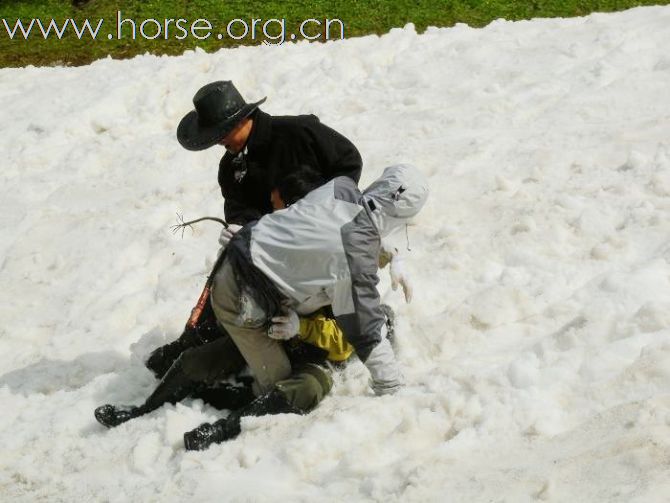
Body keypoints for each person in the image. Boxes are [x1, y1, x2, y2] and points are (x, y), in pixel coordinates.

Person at [95, 164, 427, 451]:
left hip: (252, 287)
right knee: (255, 367)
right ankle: (153, 410)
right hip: (253, 302)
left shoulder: (338, 190)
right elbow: (364, 323)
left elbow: (346, 339)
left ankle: (221, 422)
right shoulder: (355, 262)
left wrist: (305, 327)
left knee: (302, 384)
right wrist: (392, 386)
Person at [144, 80, 366, 377]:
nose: (220, 142)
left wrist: (325, 212)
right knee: (230, 264)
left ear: (242, 119)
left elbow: (348, 162)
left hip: (321, 240)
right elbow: (238, 207)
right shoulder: (230, 168)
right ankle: (199, 334)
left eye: (222, 134)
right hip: (269, 245)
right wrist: (241, 228)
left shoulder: (299, 132)